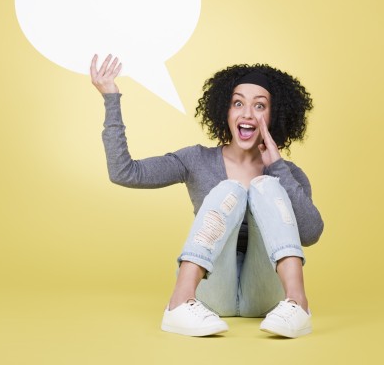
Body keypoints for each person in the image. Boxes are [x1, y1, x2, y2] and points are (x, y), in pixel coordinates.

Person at [90, 54, 324, 338]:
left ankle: (298, 304)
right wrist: (111, 99)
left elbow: (310, 233)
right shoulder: (196, 160)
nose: (247, 114)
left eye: (259, 105)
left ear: (274, 116)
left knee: (267, 186)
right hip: (210, 293)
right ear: (225, 111)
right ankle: (178, 304)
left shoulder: (287, 174)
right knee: (230, 190)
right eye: (238, 103)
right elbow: (125, 172)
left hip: (266, 296)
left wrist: (277, 167)